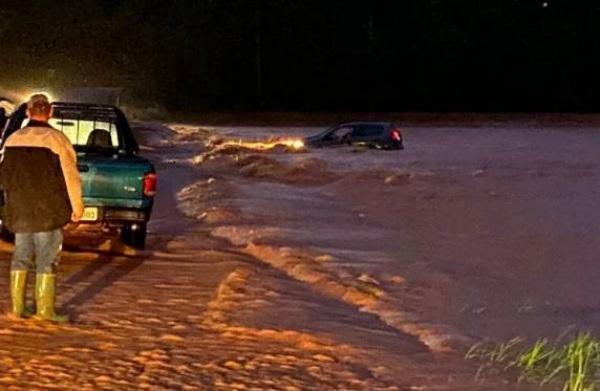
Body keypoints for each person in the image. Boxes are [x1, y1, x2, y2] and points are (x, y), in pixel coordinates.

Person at [0, 94, 83, 323]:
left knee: (21, 257)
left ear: (27, 112)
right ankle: (45, 310)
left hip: (20, 211)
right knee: (47, 260)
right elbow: (71, 177)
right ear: (50, 112)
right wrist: (77, 207)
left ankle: (18, 308)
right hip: (49, 211)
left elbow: (3, 176)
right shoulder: (57, 140)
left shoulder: (12, 139)